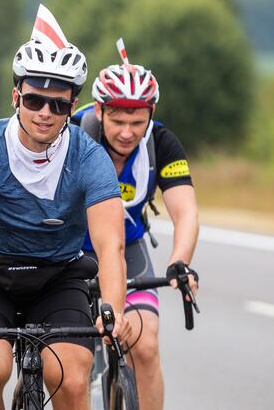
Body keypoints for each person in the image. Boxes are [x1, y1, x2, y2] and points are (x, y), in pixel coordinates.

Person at [0, 4, 130, 410]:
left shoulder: (89, 157)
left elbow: (110, 246)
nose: (45, 114)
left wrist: (113, 309)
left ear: (73, 104)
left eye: (59, 104)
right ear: (16, 96)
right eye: (34, 100)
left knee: (71, 382)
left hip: (58, 276)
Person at [72, 38, 199, 410]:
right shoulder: (73, 133)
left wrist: (180, 259)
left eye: (137, 122)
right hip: (70, 251)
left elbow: (186, 211)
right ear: (99, 109)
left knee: (144, 346)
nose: (127, 132)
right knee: (70, 361)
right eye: (117, 121)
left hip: (127, 249)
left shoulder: (162, 142)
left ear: (151, 114)